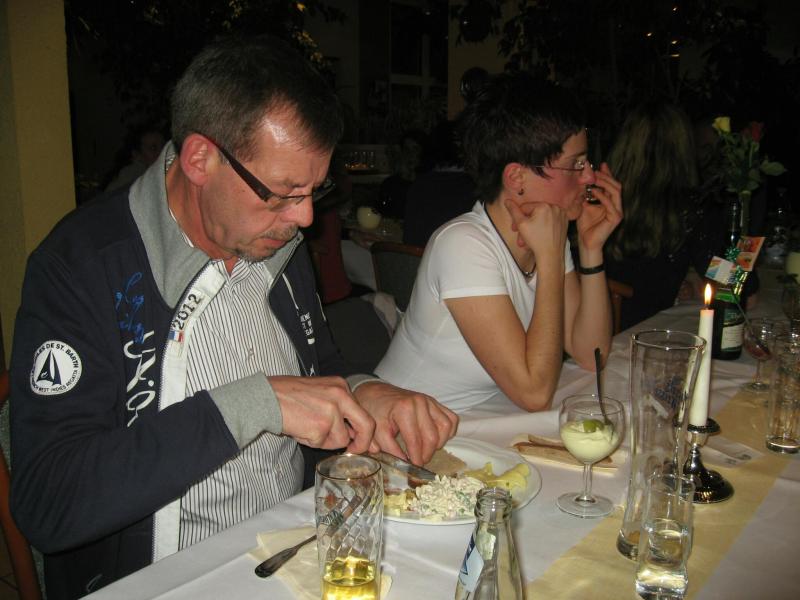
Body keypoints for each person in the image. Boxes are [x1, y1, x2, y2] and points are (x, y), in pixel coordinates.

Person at [8, 35, 457, 598]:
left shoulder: (274, 244)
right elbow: (48, 503)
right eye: (283, 192)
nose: (305, 218)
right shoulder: (81, 267)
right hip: (167, 581)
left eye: (314, 190)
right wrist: (251, 405)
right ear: (200, 159)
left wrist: (365, 392)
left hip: (290, 548)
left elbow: (319, 367)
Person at [376, 73, 623, 412]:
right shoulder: (463, 246)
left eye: (588, 162)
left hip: (476, 421)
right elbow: (534, 393)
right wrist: (550, 259)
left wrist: (591, 249)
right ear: (517, 177)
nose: (590, 177)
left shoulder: (548, 236)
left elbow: (590, 354)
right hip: (404, 429)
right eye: (576, 164)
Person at [604, 103, 727, 330]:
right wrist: (743, 247)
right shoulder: (691, 207)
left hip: (600, 325)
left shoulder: (602, 197)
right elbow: (730, 283)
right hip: (646, 333)